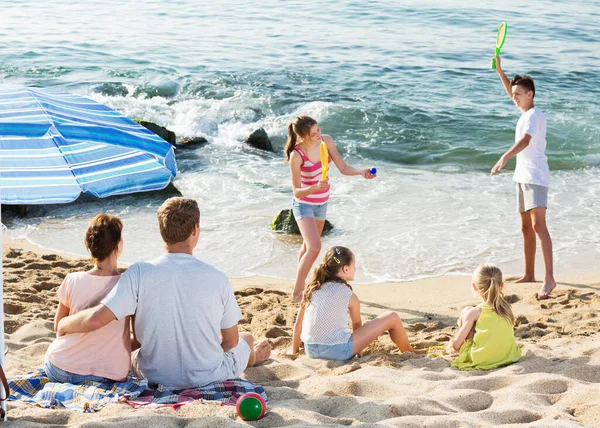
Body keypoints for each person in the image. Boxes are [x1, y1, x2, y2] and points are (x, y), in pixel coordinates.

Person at [57, 197, 271, 389]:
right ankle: (252, 358)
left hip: (152, 374)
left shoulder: (139, 272)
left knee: (138, 351)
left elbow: (98, 319)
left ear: (161, 232)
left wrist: (65, 324)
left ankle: (246, 356)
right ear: (195, 230)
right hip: (207, 376)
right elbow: (230, 342)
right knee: (246, 337)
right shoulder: (217, 277)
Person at [285, 115, 376, 302]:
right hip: (303, 204)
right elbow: (297, 192)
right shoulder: (297, 155)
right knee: (314, 247)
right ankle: (297, 292)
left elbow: (342, 167)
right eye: (313, 133)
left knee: (307, 246)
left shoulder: (326, 142)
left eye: (318, 129)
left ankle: (300, 282)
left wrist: (361, 172)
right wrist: (314, 187)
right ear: (302, 136)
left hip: (321, 202)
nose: (318, 134)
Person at [490, 54, 556, 299]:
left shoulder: (534, 115)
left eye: (518, 94)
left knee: (539, 226)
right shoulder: (524, 110)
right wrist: (500, 70)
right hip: (522, 176)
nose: (514, 97)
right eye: (514, 94)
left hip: (536, 176)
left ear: (530, 94)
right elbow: (510, 91)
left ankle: (549, 279)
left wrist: (504, 157)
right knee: (525, 228)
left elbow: (525, 141)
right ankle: (529, 273)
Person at [289, 246, 422, 361]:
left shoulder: (312, 289)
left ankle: (295, 350)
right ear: (346, 269)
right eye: (354, 265)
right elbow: (357, 326)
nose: (355, 268)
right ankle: (409, 351)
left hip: (311, 350)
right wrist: (358, 354)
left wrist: (294, 351)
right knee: (391, 317)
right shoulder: (349, 295)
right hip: (338, 352)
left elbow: (298, 324)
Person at [45, 214, 131, 383]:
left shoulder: (72, 279)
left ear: (89, 245)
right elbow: (138, 338)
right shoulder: (129, 285)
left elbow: (58, 326)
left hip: (61, 368)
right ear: (118, 245)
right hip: (109, 375)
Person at [451, 264, 521, 370]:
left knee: (466, 310)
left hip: (481, 359)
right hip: (508, 356)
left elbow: (456, 345)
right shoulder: (506, 309)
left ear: (474, 286)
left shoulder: (476, 312)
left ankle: (468, 351)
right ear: (501, 286)